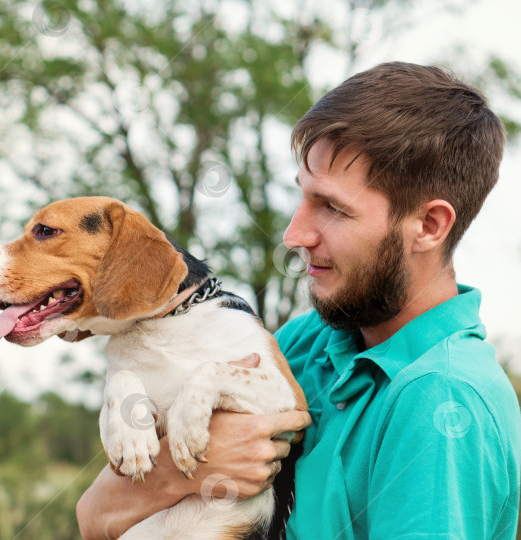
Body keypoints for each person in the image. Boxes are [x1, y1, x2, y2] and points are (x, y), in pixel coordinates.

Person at [76, 61, 521, 539]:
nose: (293, 233)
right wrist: (178, 471)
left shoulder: (441, 403)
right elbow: (93, 518)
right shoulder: (307, 341)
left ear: (429, 226)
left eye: (332, 208)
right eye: (303, 197)